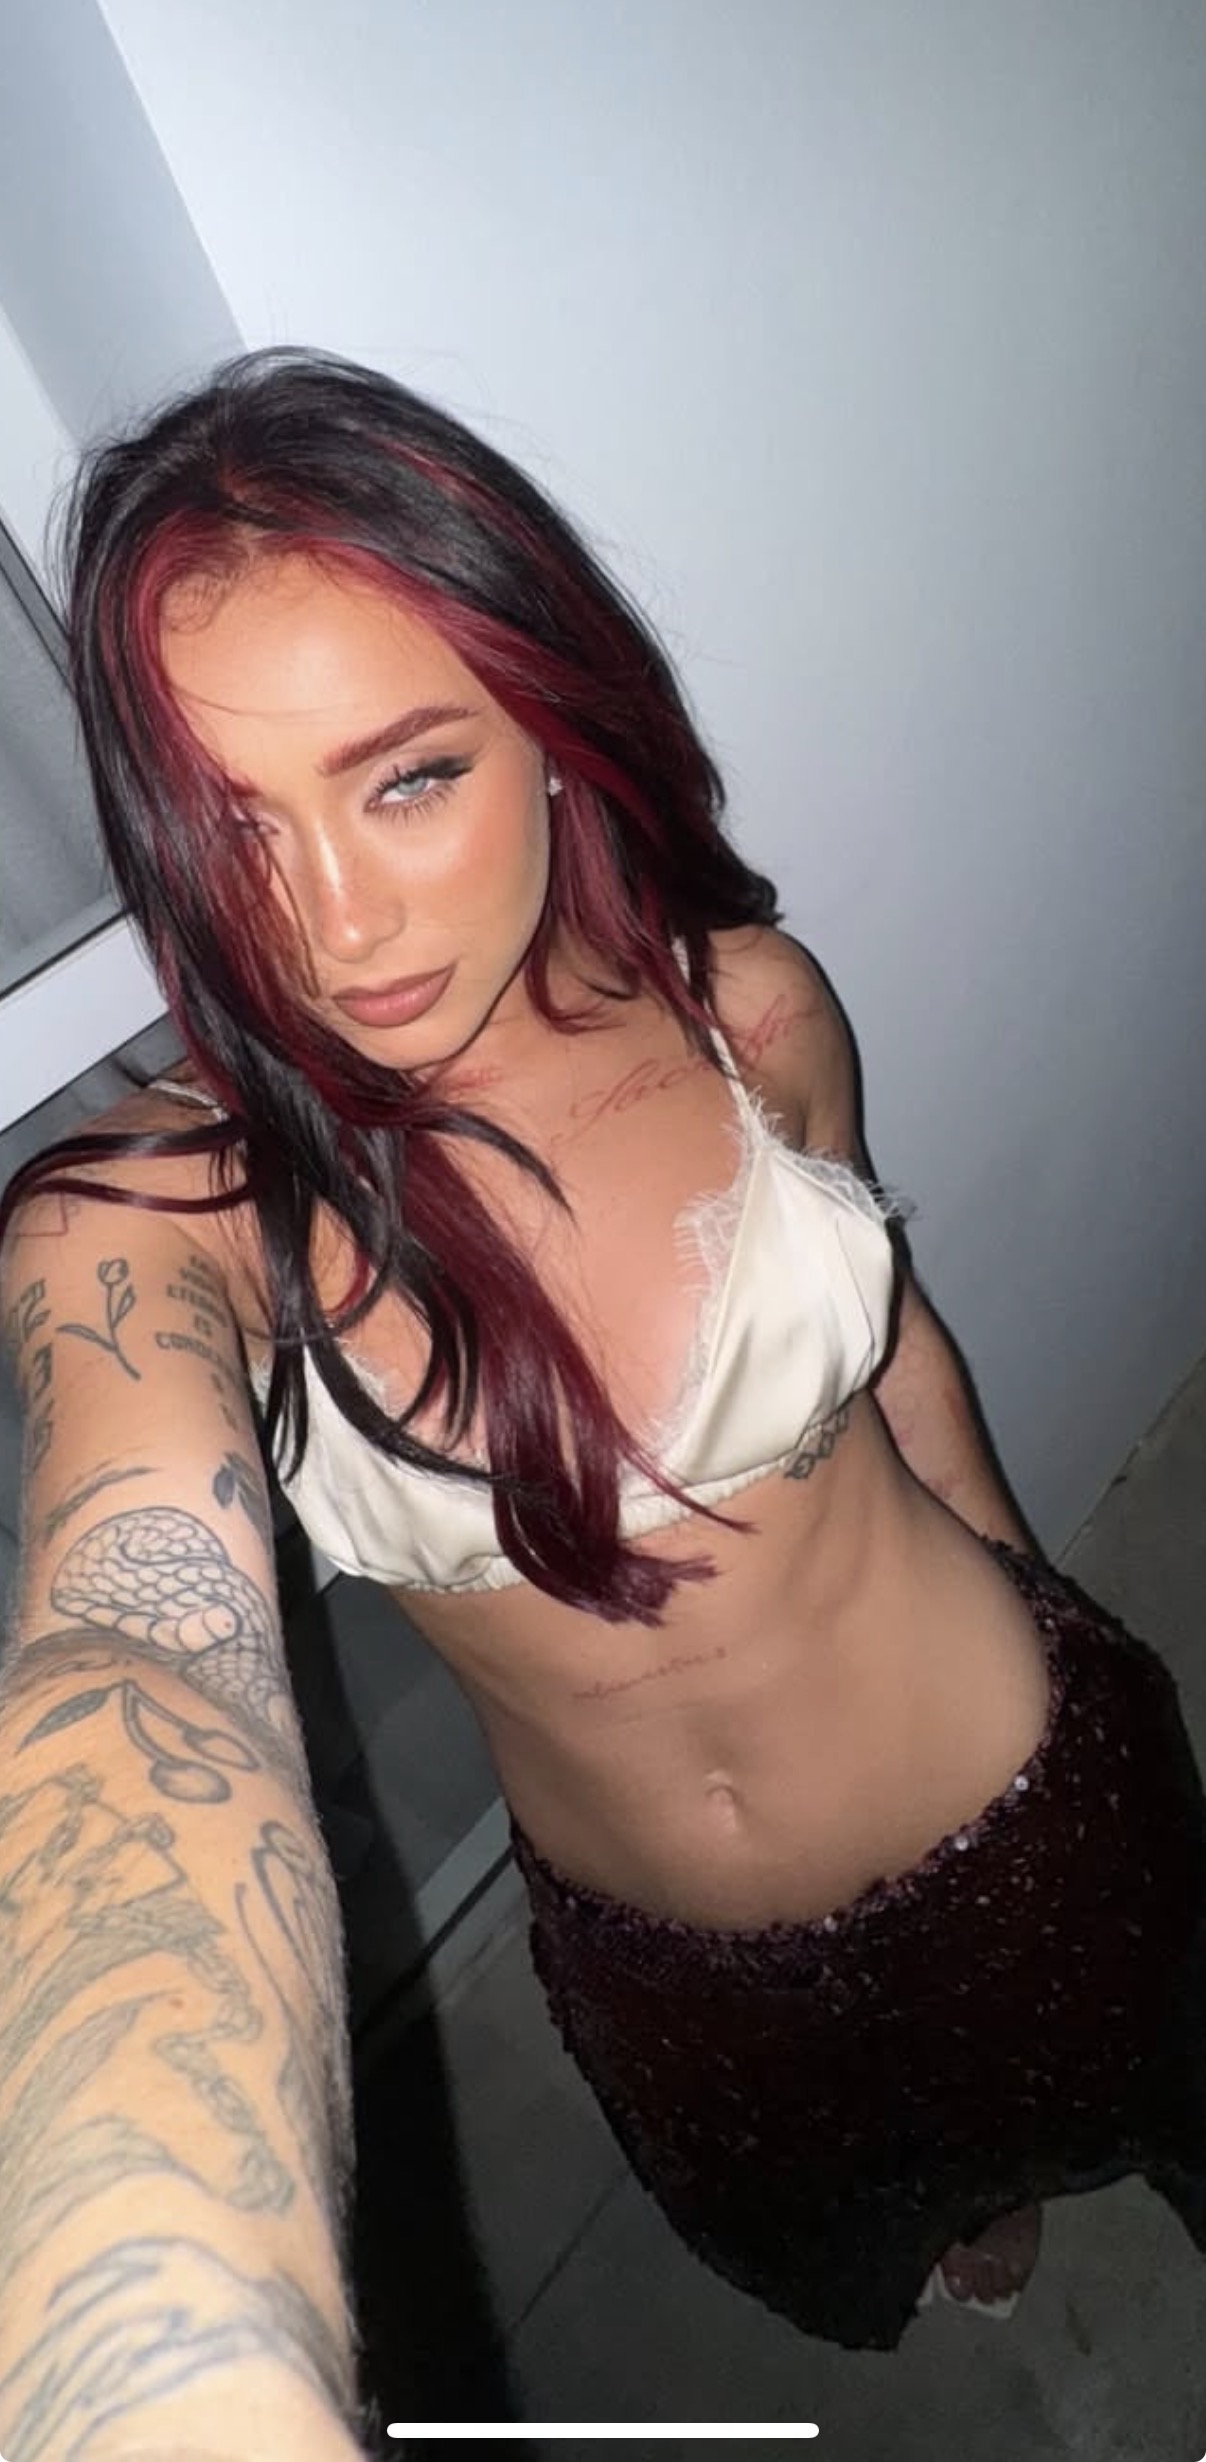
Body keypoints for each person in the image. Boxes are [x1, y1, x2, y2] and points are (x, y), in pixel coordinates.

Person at [1, 348, 1204, 2455]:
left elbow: (896, 1344)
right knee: (876, 2216)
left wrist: (1045, 1606)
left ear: (552, 736)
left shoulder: (751, 1015)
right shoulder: (160, 1220)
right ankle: (975, 2191)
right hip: (674, 1976)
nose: (335, 925)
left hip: (1024, 1804)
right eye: (235, 826)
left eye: (407, 778)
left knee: (1155, 2076)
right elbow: (133, 1648)